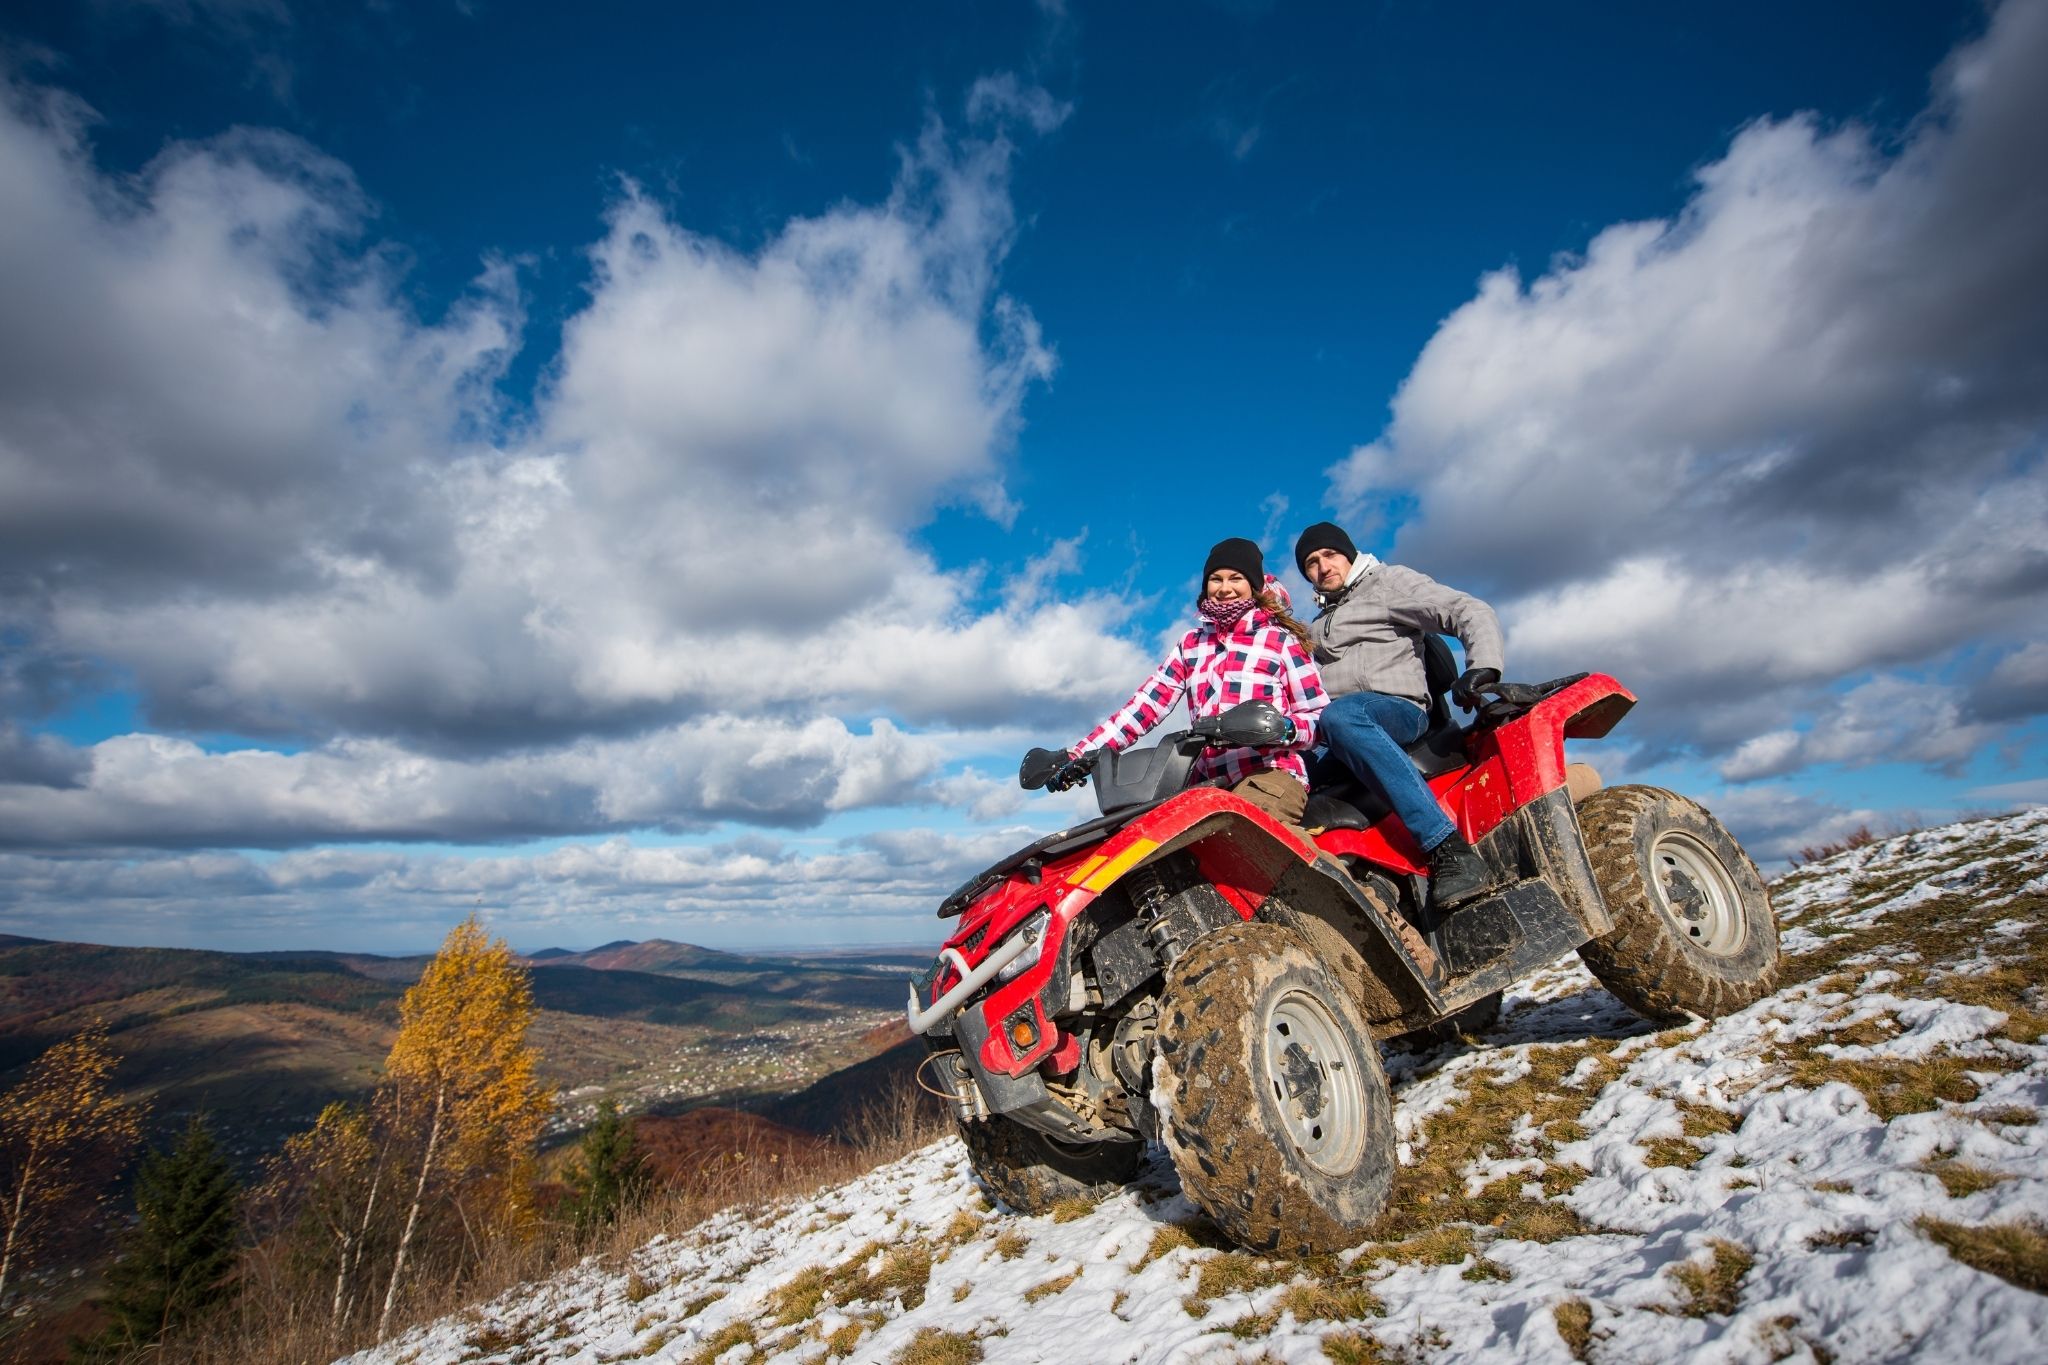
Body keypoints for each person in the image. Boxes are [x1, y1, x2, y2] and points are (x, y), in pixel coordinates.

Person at [1292, 520, 1503, 910]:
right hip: (1338, 729)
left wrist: (1483, 666)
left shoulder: (1387, 584)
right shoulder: (1317, 625)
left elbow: (1467, 609)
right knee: (1280, 770)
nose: (1322, 566)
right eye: (1311, 562)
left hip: (1398, 709)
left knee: (1342, 717)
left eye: (1329, 554)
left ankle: (1447, 847)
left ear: (1349, 554)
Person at [1054, 537, 1328, 829]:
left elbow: (1319, 720)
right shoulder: (1192, 644)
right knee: (1149, 843)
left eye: (1236, 578)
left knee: (1245, 833)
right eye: (1215, 579)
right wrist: (1077, 755)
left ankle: (1329, 875)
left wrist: (1281, 728)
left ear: (1254, 585)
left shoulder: (1280, 642)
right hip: (1206, 783)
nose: (1225, 588)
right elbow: (1144, 707)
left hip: (1270, 776)